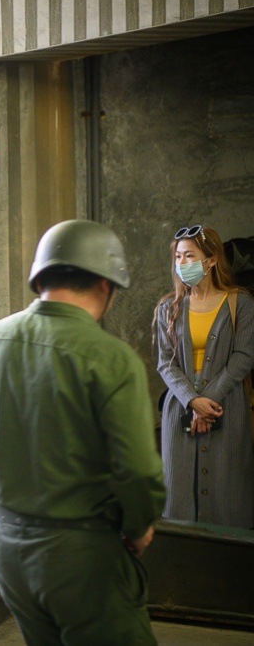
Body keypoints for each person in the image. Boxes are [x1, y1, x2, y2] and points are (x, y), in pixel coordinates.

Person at [0, 219, 166, 646]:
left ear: (40, 277)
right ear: (106, 285)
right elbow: (138, 469)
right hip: (83, 553)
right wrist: (139, 524)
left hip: (9, 548)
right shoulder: (111, 359)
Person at [153, 224, 254, 529]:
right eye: (178, 257)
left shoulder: (241, 303)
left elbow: (244, 356)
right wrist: (192, 400)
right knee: (180, 495)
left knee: (228, 492)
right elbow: (166, 363)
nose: (182, 264)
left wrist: (207, 400)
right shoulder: (168, 307)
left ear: (210, 260)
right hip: (180, 409)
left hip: (226, 405)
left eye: (189, 256)